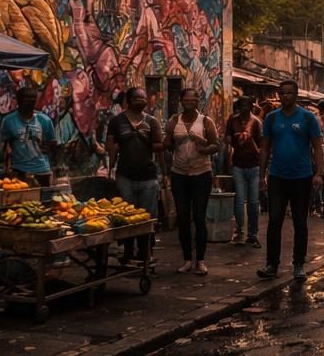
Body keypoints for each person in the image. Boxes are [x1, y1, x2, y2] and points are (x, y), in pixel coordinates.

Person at [258, 80, 324, 281]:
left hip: (302, 177)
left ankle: (298, 264)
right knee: (274, 221)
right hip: (277, 176)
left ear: (296, 95)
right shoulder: (271, 118)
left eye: (289, 93)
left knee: (300, 222)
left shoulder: (307, 118)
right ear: (278, 95)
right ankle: (272, 264)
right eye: (282, 93)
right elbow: (265, 147)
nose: (285, 96)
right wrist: (261, 175)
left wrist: (319, 173)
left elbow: (318, 147)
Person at [107, 86, 165, 263]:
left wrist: (165, 173)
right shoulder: (117, 121)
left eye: (143, 98)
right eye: (137, 98)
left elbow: (159, 147)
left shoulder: (152, 121)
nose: (142, 101)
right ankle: (127, 251)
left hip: (148, 177)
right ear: (129, 101)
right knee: (126, 216)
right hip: (125, 176)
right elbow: (110, 145)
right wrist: (110, 169)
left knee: (146, 218)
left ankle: (146, 252)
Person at [166, 87, 219, 275]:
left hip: (201, 173)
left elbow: (215, 145)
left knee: (199, 217)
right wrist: (174, 143)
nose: (189, 103)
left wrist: (203, 147)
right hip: (179, 174)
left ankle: (201, 260)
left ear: (198, 101)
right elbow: (166, 144)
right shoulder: (174, 121)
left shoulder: (205, 121)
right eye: (186, 100)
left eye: (193, 100)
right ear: (181, 101)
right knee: (182, 217)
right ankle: (187, 259)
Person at [0, 84, 57, 185]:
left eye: (33, 100)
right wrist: (7, 168)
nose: (30, 103)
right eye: (27, 100)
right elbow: (5, 145)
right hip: (19, 171)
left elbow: (53, 142)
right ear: (19, 101)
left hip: (42, 170)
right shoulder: (9, 121)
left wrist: (48, 148)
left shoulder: (44, 120)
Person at [223, 96, 263, 247]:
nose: (244, 107)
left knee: (253, 202)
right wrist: (230, 139)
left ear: (252, 106)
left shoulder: (257, 122)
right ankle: (239, 231)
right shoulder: (232, 121)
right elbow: (227, 139)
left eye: (247, 105)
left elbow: (263, 144)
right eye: (242, 105)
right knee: (239, 201)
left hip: (254, 166)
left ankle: (253, 233)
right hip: (238, 165)